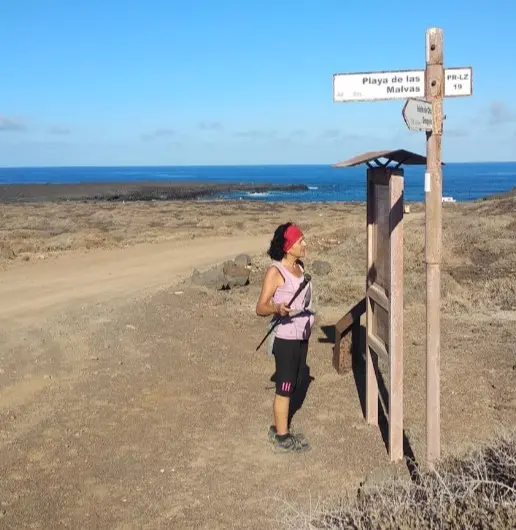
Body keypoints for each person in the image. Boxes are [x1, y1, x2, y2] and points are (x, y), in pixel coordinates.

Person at [256, 222, 314, 453]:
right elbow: (260, 307)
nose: (305, 244)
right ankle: (281, 435)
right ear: (289, 247)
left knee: (295, 381)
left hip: (301, 336)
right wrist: (277, 308)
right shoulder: (275, 272)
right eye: (300, 241)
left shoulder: (300, 267)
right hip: (286, 338)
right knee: (285, 386)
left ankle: (283, 428)